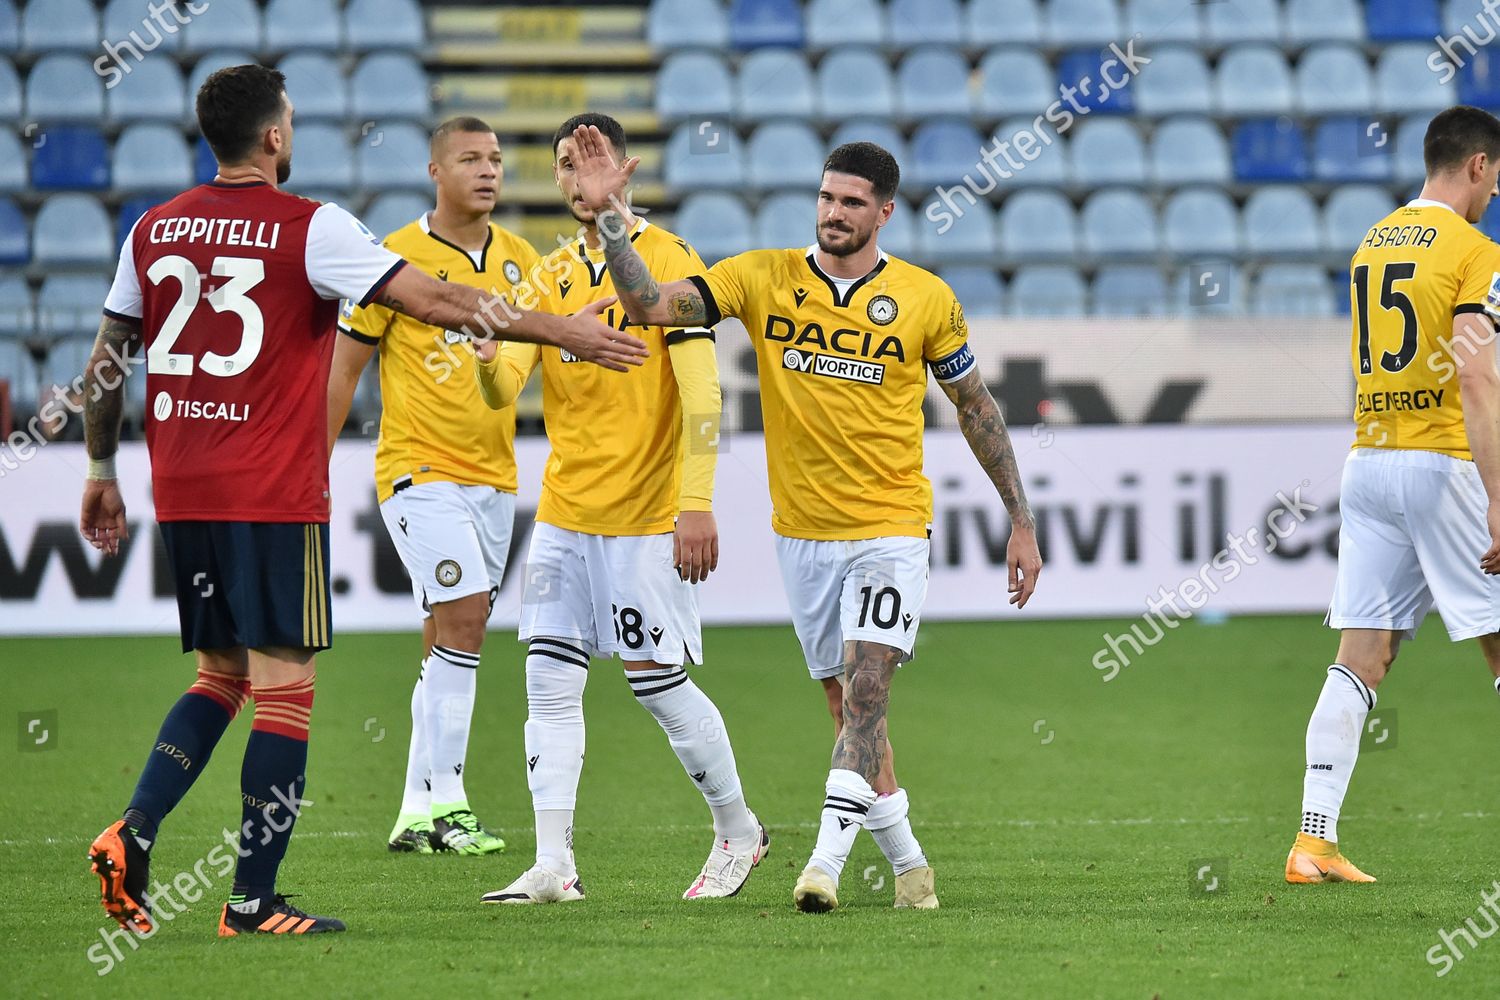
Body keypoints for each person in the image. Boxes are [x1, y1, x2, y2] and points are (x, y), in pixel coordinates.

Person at [81, 65, 645, 939]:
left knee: (220, 675)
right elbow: (441, 300)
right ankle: (251, 903)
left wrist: (98, 472)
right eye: (292, 122)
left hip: (183, 486)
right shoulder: (311, 227)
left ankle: (135, 829)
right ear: (274, 137)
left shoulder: (152, 228)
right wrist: (565, 328)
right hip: (269, 487)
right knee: (285, 691)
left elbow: (109, 359)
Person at [570, 128, 1043, 912]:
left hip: (891, 527)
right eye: (826, 197)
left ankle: (821, 865)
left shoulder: (926, 299)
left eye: (852, 202)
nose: (833, 212)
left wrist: (1019, 519)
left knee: (866, 694)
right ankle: (912, 871)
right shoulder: (762, 278)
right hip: (803, 536)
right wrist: (615, 218)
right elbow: (650, 305)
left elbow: (977, 409)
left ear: (884, 212)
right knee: (845, 706)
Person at [471, 113, 767, 904]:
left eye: (591, 161)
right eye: (565, 163)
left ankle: (739, 830)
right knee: (546, 679)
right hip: (566, 514)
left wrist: (695, 504)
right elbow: (505, 391)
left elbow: (704, 396)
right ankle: (553, 864)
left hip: (644, 517)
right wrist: (485, 357)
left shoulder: (668, 262)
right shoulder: (547, 277)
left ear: (626, 171)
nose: (576, 176)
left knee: (655, 682)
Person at [1286, 105, 1500, 884]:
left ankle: (1313, 842)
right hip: (1443, 463)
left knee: (1360, 659)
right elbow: (1477, 372)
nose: (1494, 194)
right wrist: (1498, 494)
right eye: (1496, 178)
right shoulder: (1475, 249)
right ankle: (1313, 844)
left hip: (1370, 460)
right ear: (1478, 166)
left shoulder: (1373, 239)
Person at [327, 117, 540, 857]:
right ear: (435, 170)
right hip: (419, 472)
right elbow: (343, 372)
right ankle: (449, 806)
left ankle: (413, 812)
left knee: (445, 636)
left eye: (497, 159)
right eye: (471, 159)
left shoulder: (521, 262)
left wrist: (493, 361)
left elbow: (511, 380)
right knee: (467, 622)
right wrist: (309, 475)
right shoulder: (392, 260)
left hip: (494, 477)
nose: (488, 171)